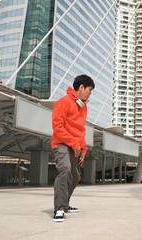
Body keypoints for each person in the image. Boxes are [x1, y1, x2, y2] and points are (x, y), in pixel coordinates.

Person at [51, 74, 95, 222]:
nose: (90, 93)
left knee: (75, 176)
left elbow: (80, 130)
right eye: (89, 90)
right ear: (81, 87)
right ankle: (59, 208)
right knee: (66, 170)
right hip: (61, 143)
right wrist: (74, 144)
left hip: (75, 146)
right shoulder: (63, 102)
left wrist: (83, 149)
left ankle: (66, 203)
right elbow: (58, 127)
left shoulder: (83, 107)